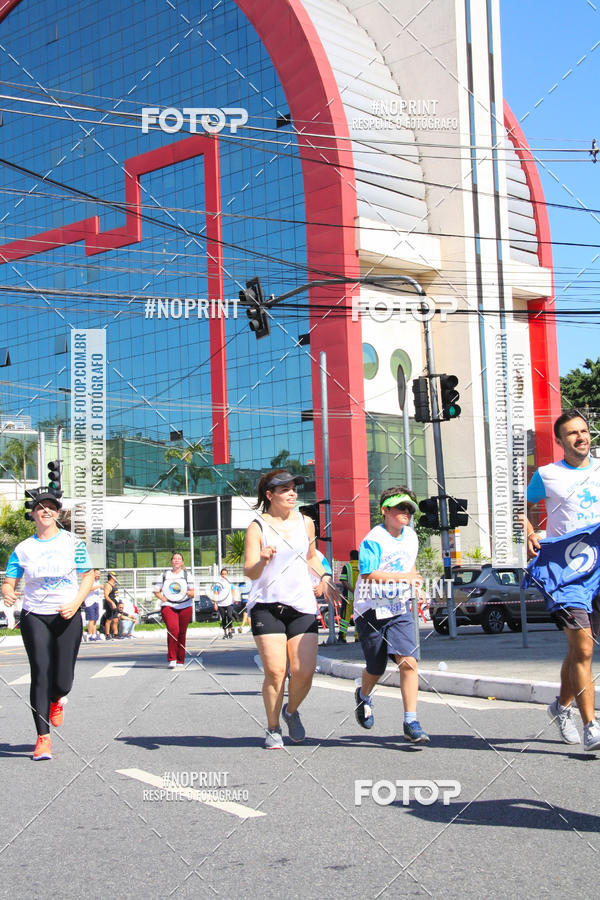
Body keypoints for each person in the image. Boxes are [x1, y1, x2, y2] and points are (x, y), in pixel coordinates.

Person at [526, 409, 600, 751]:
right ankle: (591, 726)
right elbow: (522, 506)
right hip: (567, 573)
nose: (580, 437)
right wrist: (530, 531)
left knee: (579, 650)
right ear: (559, 441)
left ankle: (561, 706)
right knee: (583, 648)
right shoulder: (547, 474)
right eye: (572, 433)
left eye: (584, 431)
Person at [244, 469, 334, 749]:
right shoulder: (257, 527)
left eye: (294, 488)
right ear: (270, 495)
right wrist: (262, 560)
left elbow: (311, 557)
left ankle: (291, 711)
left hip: (302, 605)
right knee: (276, 672)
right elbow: (250, 571)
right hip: (267, 606)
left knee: (304, 671)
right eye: (285, 489)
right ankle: (273, 728)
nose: (292, 493)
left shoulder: (306, 523)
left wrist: (325, 577)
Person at [1, 489, 94, 760]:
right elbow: (9, 581)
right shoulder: (23, 549)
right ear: (33, 514)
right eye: (41, 507)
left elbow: (88, 576)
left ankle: (57, 699)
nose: (46, 511)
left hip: (67, 614)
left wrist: (75, 603)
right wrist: (7, 592)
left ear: (57, 513)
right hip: (35, 616)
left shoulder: (72, 543)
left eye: (51, 507)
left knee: (63, 681)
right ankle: (43, 738)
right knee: (40, 672)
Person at [353, 486, 430, 744]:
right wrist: (405, 577)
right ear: (385, 510)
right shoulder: (374, 539)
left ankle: (411, 721)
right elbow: (369, 574)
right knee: (376, 667)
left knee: (408, 662)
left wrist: (416, 586)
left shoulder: (411, 537)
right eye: (400, 507)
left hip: (399, 606)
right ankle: (364, 695)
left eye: (409, 508)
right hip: (370, 609)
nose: (406, 512)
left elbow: (410, 565)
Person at [154, 551, 194, 668]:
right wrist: (163, 598)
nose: (176, 560)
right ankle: (172, 658)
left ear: (182, 562)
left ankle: (180, 659)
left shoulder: (187, 575)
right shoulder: (164, 575)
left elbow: (193, 592)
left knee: (182, 633)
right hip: (169, 606)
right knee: (173, 630)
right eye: (174, 559)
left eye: (179, 559)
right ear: (171, 561)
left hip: (185, 606)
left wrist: (187, 592)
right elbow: (156, 590)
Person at [213, 567, 234, 639]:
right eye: (222, 574)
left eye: (225, 574)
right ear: (220, 575)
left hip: (229, 602)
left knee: (229, 616)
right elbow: (215, 593)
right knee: (223, 618)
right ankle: (225, 633)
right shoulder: (217, 583)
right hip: (221, 603)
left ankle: (230, 631)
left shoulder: (230, 582)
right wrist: (215, 603)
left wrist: (234, 599)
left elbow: (233, 591)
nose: (224, 575)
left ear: (227, 574)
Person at [83, 569, 102, 641]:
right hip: (90, 602)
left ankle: (94, 634)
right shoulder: (90, 580)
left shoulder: (97, 581)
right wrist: (98, 586)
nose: (98, 575)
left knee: (95, 619)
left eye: (99, 574)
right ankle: (89, 634)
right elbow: (89, 588)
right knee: (91, 619)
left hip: (96, 601)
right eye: (97, 573)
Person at [103, 572, 119, 640]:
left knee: (115, 619)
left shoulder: (114, 585)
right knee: (109, 619)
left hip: (115, 602)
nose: (116, 577)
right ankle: (107, 634)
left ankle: (115, 634)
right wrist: (112, 603)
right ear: (111, 577)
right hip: (110, 603)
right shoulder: (108, 585)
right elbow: (106, 596)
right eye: (114, 576)